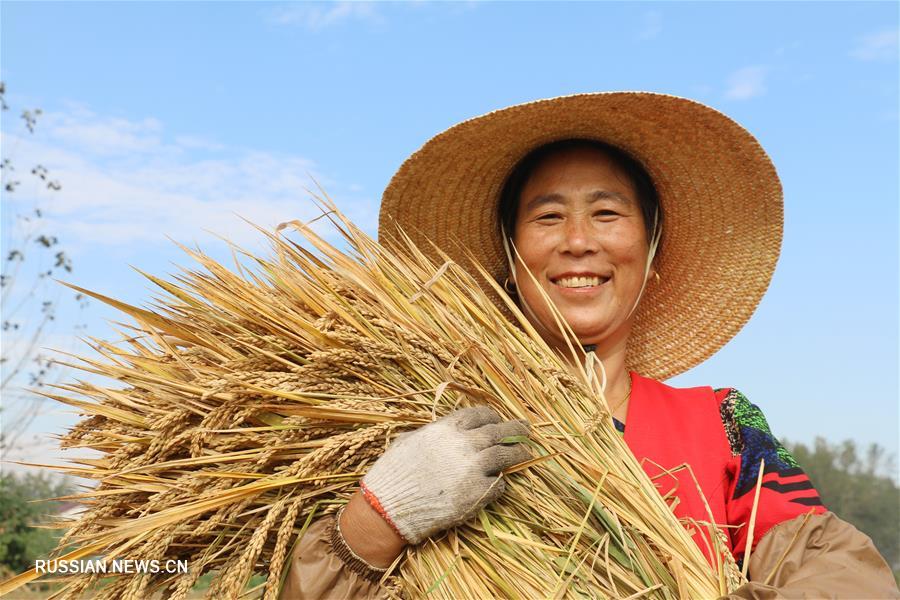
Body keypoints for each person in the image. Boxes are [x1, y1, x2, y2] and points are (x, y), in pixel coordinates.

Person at [280, 93, 899, 599]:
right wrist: (378, 519)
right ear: (510, 259)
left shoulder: (722, 425)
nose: (578, 242)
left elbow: (841, 580)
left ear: (651, 252)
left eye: (607, 214)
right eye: (547, 217)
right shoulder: (427, 427)